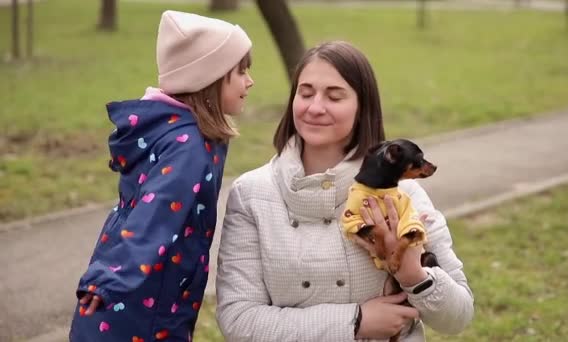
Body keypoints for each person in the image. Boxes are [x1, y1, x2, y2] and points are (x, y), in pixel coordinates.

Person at [215, 40, 473, 341]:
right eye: (305, 92)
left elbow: (458, 317)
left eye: (334, 97)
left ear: (362, 108)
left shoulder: (405, 196)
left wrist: (412, 274)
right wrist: (355, 321)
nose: (315, 107)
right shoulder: (251, 194)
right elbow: (238, 319)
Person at [69, 10, 254, 341]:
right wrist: (109, 279)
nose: (249, 81)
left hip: (139, 300)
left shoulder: (171, 129)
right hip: (142, 310)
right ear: (208, 79)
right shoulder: (189, 148)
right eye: (241, 72)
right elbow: (152, 216)